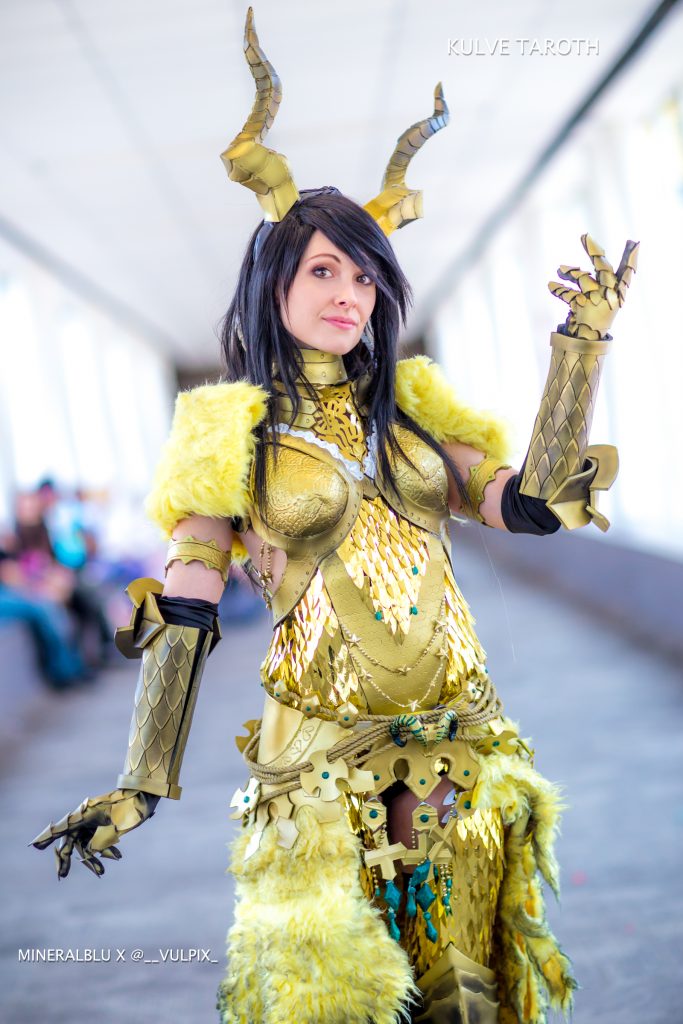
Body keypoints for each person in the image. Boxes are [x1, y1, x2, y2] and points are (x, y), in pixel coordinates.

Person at [31, 10, 638, 1024]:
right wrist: (139, 781)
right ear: (274, 281)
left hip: (457, 738)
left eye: (363, 274)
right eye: (323, 269)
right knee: (339, 1001)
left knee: (464, 993)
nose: (349, 292)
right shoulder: (224, 429)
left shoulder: (415, 406)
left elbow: (529, 505)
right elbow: (185, 609)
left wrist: (578, 350)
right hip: (316, 764)